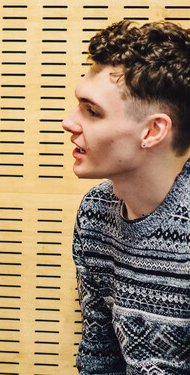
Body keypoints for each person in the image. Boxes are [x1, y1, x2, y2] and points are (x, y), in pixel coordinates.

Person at [64, 20, 190, 374]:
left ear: (152, 131)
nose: (68, 122)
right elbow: (99, 357)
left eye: (91, 111)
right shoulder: (95, 213)